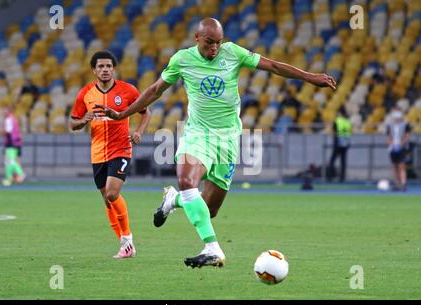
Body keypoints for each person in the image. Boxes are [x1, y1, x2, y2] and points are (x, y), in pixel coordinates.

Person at [95, 18, 336, 268]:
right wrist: (124, 114)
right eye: (210, 43)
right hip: (197, 134)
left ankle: (173, 200)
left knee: (207, 211)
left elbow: (273, 66)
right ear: (197, 38)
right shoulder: (182, 59)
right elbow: (156, 90)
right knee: (188, 181)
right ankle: (212, 248)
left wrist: (309, 77)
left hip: (228, 138)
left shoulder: (233, 53)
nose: (215, 48)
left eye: (218, 43)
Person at [69, 50, 151, 259]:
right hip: (97, 152)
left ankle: (128, 241)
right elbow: (73, 123)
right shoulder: (85, 94)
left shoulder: (128, 91)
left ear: (113, 69)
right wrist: (83, 120)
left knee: (112, 193)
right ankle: (125, 244)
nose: (105, 70)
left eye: (108, 66)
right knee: (107, 200)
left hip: (120, 148)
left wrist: (139, 132)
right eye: (100, 67)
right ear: (94, 70)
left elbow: (145, 112)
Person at [386, 107, 411, 191]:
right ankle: (397, 184)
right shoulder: (390, 125)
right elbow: (388, 137)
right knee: (394, 166)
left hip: (402, 148)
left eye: (398, 112)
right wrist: (392, 144)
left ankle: (404, 184)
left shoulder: (405, 124)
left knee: (402, 166)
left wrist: (401, 144)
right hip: (393, 149)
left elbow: (407, 136)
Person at [2, 105, 25, 186]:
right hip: (16, 143)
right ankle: (12, 177)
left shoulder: (8, 119)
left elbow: (8, 131)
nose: (3, 112)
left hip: (11, 143)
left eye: (5, 110)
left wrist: (0, 132)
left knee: (10, 161)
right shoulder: (14, 119)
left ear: (9, 111)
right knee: (11, 161)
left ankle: (17, 175)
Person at [327, 107, 352, 183]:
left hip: (338, 142)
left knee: (332, 160)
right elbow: (349, 132)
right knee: (343, 161)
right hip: (346, 143)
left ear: (340, 113)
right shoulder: (347, 122)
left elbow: (333, 131)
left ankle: (329, 177)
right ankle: (342, 178)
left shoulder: (337, 121)